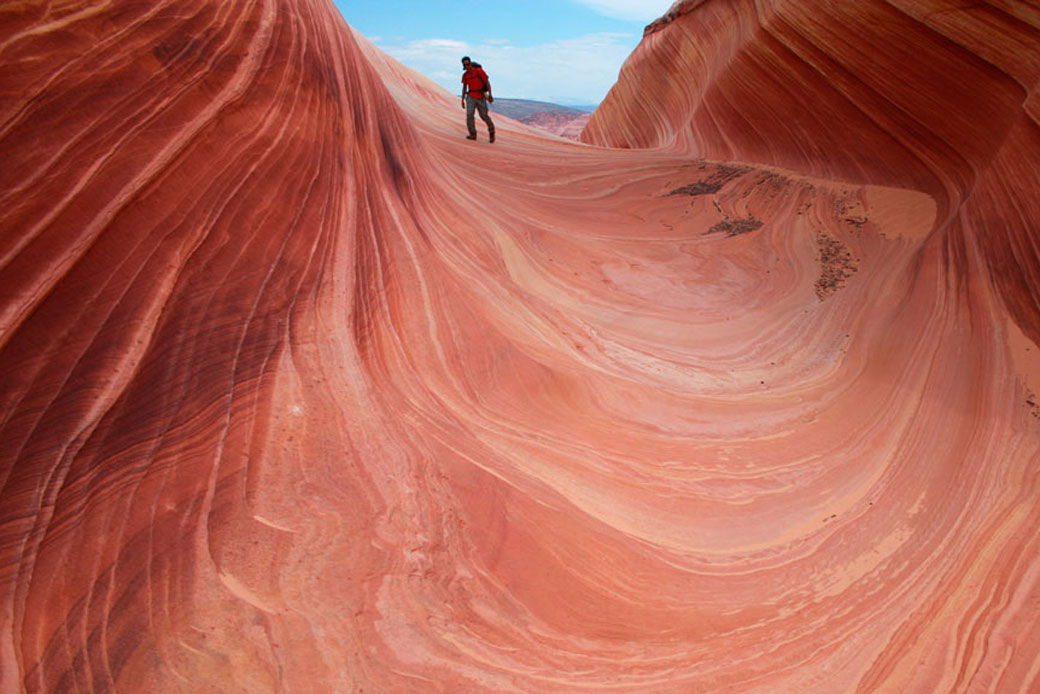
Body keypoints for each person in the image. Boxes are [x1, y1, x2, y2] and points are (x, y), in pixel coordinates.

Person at [460, 56, 495, 143]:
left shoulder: (479, 71)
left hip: (481, 97)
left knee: (483, 116)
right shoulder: (465, 75)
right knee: (469, 115)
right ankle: (473, 134)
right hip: (471, 97)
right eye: (465, 65)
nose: (467, 66)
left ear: (470, 63)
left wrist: (490, 94)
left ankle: (491, 132)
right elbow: (464, 87)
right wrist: (463, 99)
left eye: (468, 64)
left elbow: (487, 82)